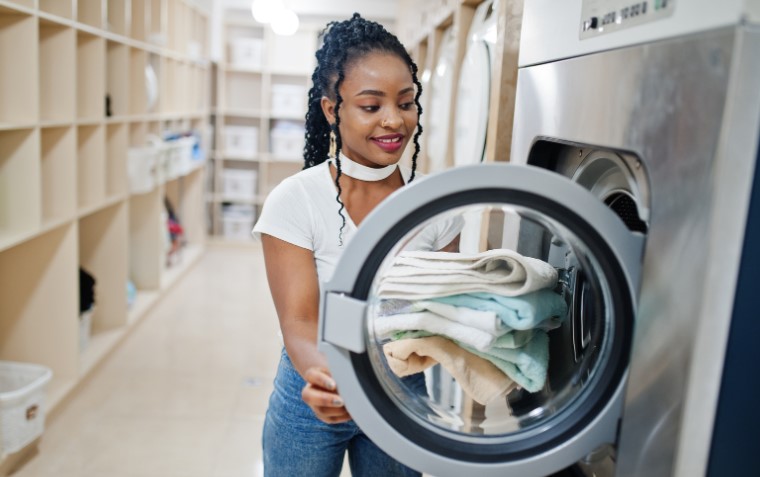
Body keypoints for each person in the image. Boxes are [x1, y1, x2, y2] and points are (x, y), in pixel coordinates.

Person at [253, 13, 460, 477]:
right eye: (371, 106)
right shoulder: (296, 200)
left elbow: (440, 315)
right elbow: (301, 322)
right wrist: (328, 382)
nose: (394, 120)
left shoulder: (437, 206)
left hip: (402, 390)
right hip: (313, 392)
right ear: (332, 110)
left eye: (406, 102)